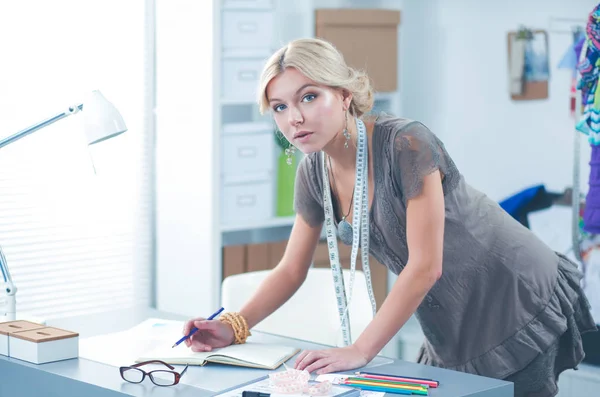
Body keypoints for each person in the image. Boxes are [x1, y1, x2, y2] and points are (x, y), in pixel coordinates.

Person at [182, 38, 598, 397]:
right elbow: (292, 269)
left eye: (309, 97)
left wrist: (360, 351)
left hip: (512, 291)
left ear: (344, 95)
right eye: (279, 107)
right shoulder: (313, 171)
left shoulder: (406, 143)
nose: (295, 118)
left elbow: (424, 265)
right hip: (448, 317)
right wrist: (233, 326)